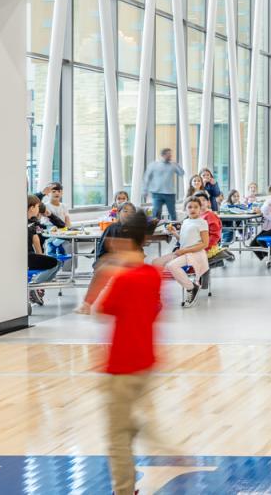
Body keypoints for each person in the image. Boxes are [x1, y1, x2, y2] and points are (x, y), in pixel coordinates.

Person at [94, 211, 161, 495]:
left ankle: (124, 490)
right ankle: (155, 439)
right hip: (145, 362)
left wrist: (110, 274)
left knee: (116, 438)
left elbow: (103, 309)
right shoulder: (152, 274)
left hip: (121, 364)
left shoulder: (123, 279)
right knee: (127, 423)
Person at [76, 202, 139, 314]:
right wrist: (100, 263)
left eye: (131, 212)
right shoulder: (111, 228)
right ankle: (87, 305)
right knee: (101, 271)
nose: (128, 214)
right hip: (111, 261)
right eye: (125, 211)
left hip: (129, 263)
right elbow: (102, 250)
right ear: (118, 213)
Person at [154, 197, 209, 307]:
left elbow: (204, 244)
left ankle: (191, 287)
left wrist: (184, 250)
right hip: (184, 252)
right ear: (185, 209)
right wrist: (174, 233)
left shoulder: (202, 222)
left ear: (200, 209)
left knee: (171, 265)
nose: (192, 209)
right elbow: (184, 241)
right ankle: (156, 294)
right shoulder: (186, 222)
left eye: (195, 207)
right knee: (156, 262)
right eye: (189, 207)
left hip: (195, 253)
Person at [26, 196, 62, 305]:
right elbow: (36, 241)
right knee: (55, 263)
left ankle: (37, 288)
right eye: (37, 207)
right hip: (27, 256)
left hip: (29, 255)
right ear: (32, 208)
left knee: (57, 262)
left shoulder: (32, 223)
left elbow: (62, 225)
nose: (38, 210)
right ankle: (34, 286)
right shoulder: (30, 224)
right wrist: (41, 255)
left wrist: (50, 215)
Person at [144, 148, 184, 221]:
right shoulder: (153, 165)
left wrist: (176, 164)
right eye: (168, 154)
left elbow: (182, 173)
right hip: (157, 193)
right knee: (156, 212)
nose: (170, 156)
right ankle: (155, 229)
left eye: (170, 154)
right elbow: (147, 178)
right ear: (163, 155)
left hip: (170, 193)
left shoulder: (173, 165)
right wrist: (145, 190)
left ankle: (174, 228)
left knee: (172, 213)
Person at [41, 182, 71, 255]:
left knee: (67, 234)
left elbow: (67, 219)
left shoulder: (64, 206)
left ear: (62, 193)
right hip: (49, 229)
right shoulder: (45, 206)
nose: (57, 193)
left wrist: (68, 228)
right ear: (48, 193)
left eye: (59, 191)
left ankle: (54, 245)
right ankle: (54, 245)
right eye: (53, 191)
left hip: (62, 229)